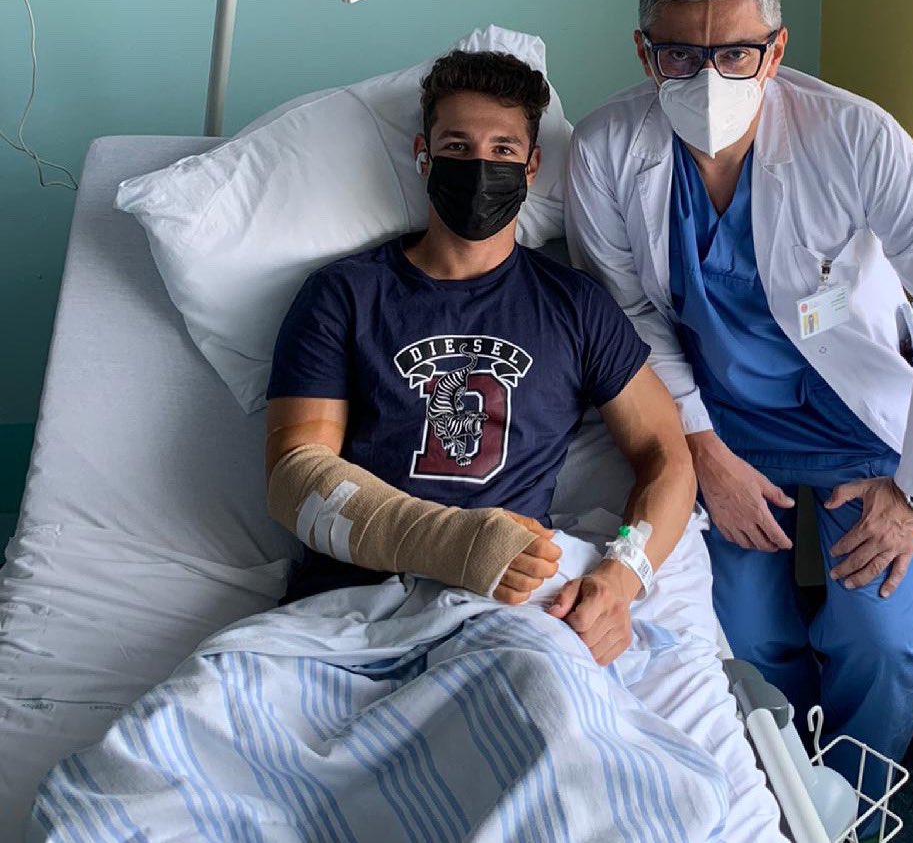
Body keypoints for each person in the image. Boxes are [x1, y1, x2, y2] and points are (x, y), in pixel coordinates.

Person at [566, 0, 913, 795]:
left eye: (736, 53)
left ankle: (854, 804)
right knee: (740, 630)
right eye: (680, 54)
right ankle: (785, 795)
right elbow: (629, 317)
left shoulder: (854, 137)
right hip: (726, 424)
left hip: (863, 426)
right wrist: (701, 449)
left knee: (878, 639)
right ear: (644, 51)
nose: (708, 80)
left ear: (775, 50)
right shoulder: (607, 151)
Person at [266, 48, 697, 665]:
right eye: (457, 147)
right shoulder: (345, 295)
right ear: (423, 156)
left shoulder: (574, 306)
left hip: (503, 615)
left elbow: (667, 455)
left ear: (531, 166)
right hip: (345, 609)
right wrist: (453, 543)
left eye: (502, 150)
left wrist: (623, 574)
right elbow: (295, 479)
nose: (479, 167)